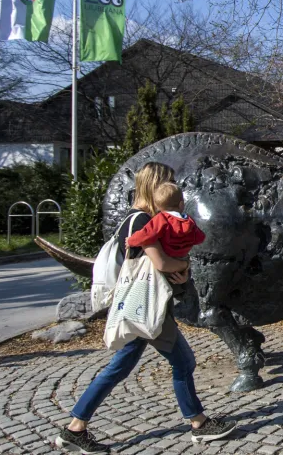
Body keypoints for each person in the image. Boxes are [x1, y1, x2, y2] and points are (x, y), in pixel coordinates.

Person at [56, 162, 235, 454]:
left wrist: (181, 270)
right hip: (147, 306)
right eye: (169, 182)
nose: (173, 188)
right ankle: (199, 424)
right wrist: (185, 266)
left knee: (120, 368)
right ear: (156, 185)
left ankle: (76, 427)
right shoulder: (140, 221)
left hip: (144, 306)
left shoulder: (140, 218)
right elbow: (162, 264)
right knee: (183, 362)